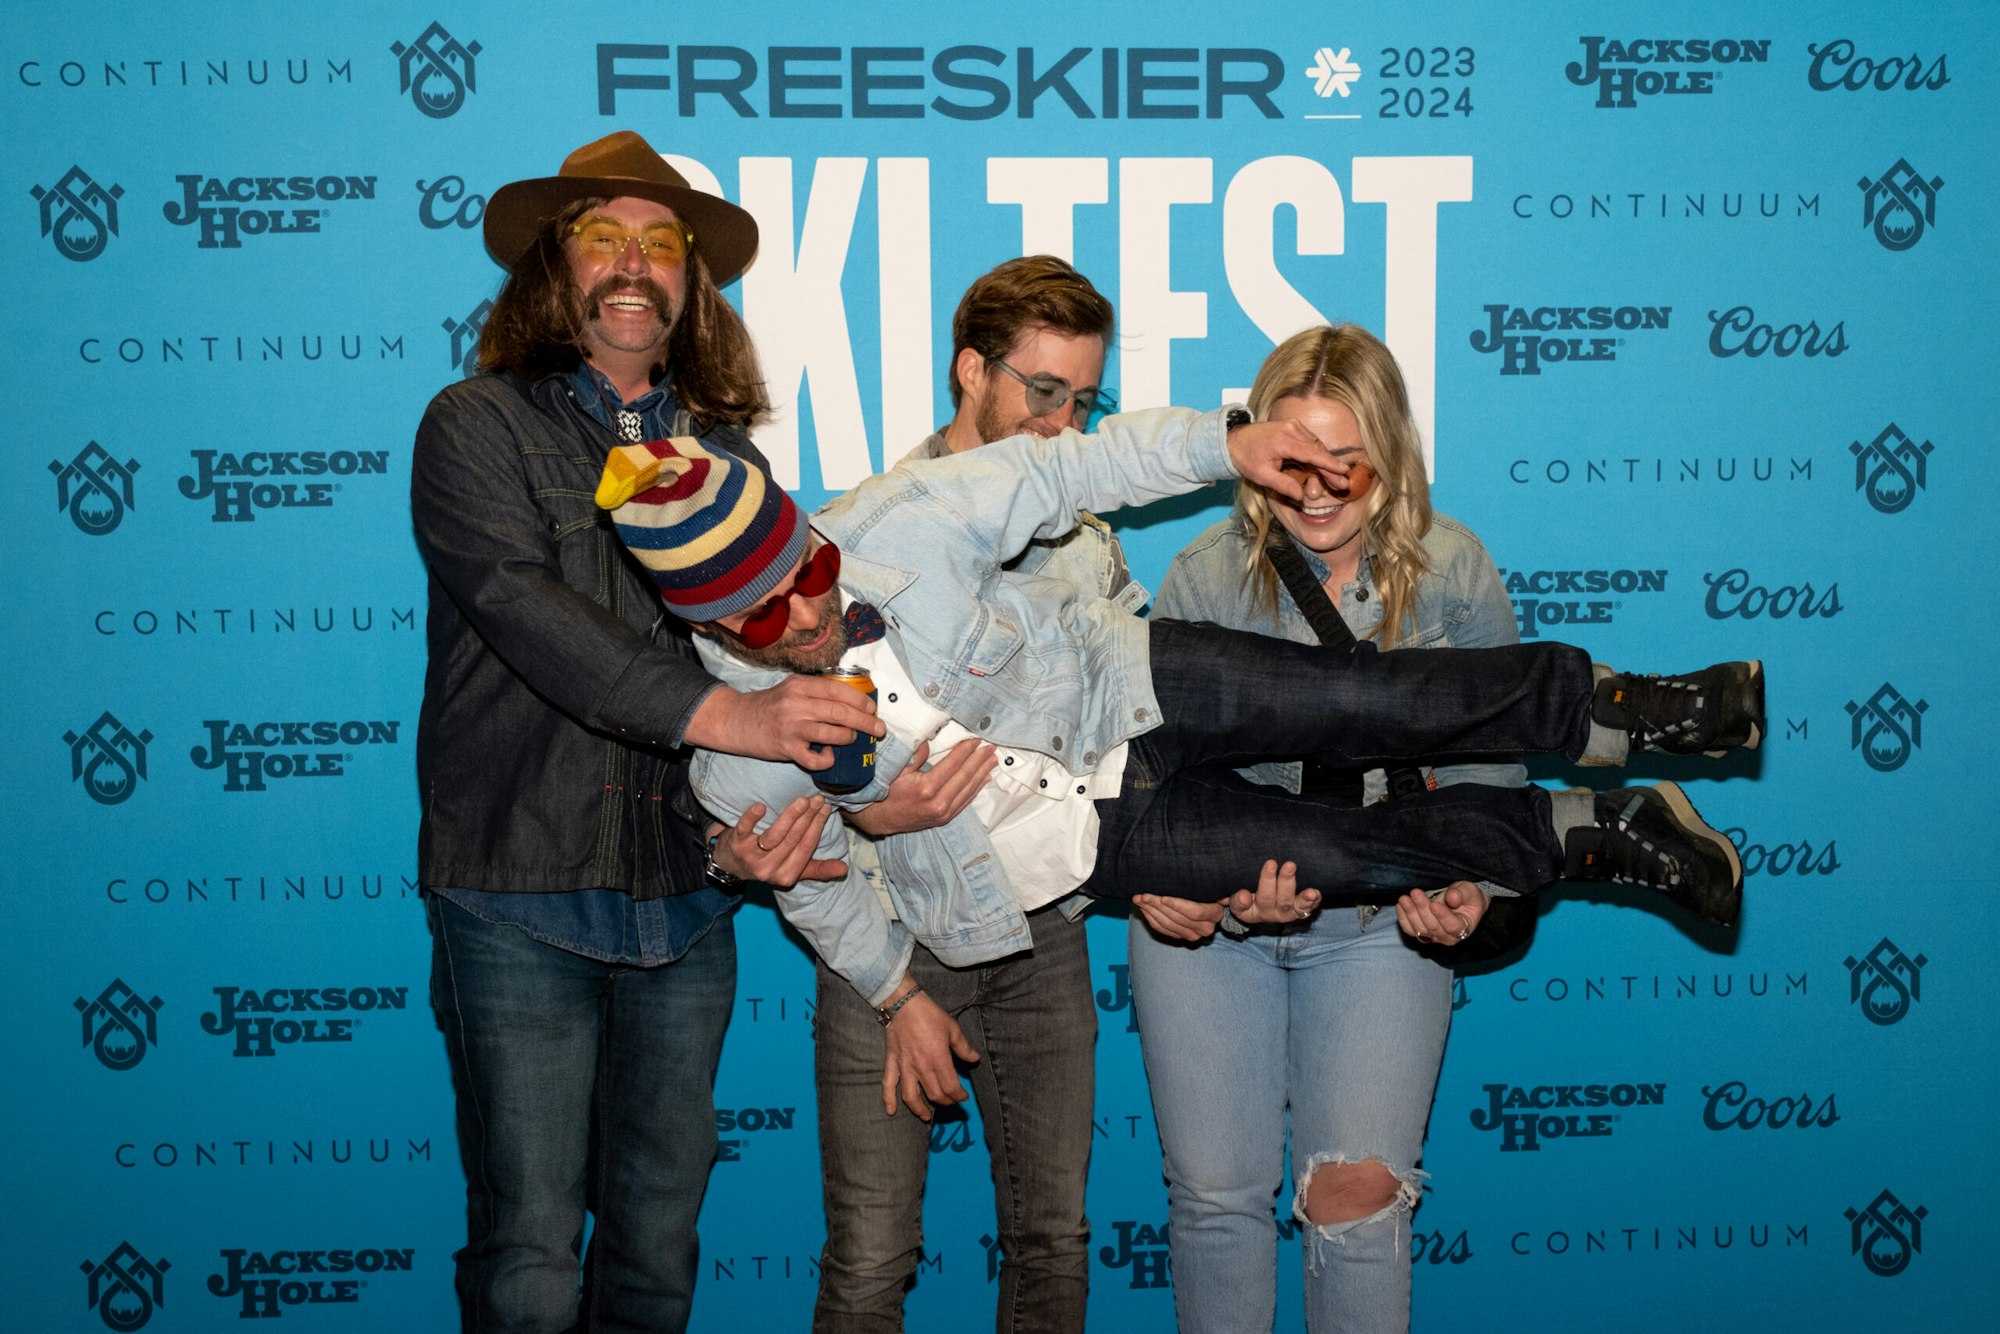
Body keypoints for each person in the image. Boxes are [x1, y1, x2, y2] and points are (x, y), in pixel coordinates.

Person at [585, 399, 1761, 1031]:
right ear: (708, 626)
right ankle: (1593, 833)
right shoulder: (733, 761)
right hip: (1094, 843)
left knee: (1361, 696)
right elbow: (816, 892)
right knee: (1346, 852)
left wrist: (1224, 442)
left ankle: (1622, 708)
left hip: (1117, 682)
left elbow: (1066, 469)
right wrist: (895, 984)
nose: (808, 609)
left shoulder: (899, 519)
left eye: (809, 567)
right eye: (765, 613)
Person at [409, 130, 883, 1333]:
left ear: (690, 281)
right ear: (552, 265)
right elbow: (527, 610)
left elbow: (764, 649)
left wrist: (756, 818)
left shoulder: (728, 459)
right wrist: (740, 717)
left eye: (660, 241)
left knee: (659, 1253)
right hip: (517, 887)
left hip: (685, 896)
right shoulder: (474, 423)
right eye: (602, 235)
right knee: (528, 1257)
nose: (634, 262)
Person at [1125, 324, 1530, 1332]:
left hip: (1380, 925)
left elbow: (1492, 772)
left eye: (1341, 463)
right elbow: (1150, 773)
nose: (1313, 490)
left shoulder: (1453, 571)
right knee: (1216, 1201)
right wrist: (1179, 882)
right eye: (1291, 463)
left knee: (1358, 1200)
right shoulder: (1205, 575)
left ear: (1388, 453)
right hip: (1215, 931)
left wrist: (1472, 888)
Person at [809, 256, 1126, 1333]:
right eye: (1043, 390)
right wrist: (892, 983)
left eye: (1084, 402)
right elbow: (777, 771)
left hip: (1045, 936)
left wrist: (1161, 864)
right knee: (870, 1258)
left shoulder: (1087, 545)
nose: (1061, 424)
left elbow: (1122, 744)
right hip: (893, 936)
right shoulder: (853, 541)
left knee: (1052, 1241)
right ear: (970, 371)